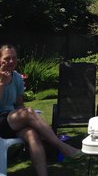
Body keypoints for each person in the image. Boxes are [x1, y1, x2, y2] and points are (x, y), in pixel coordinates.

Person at [0, 44, 82, 176]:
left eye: (14, 58)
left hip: (11, 121)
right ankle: (62, 147)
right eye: (7, 58)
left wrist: (27, 118)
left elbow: (19, 105)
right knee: (28, 112)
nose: (11, 61)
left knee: (32, 134)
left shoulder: (16, 78)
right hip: (1, 122)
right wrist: (2, 83)